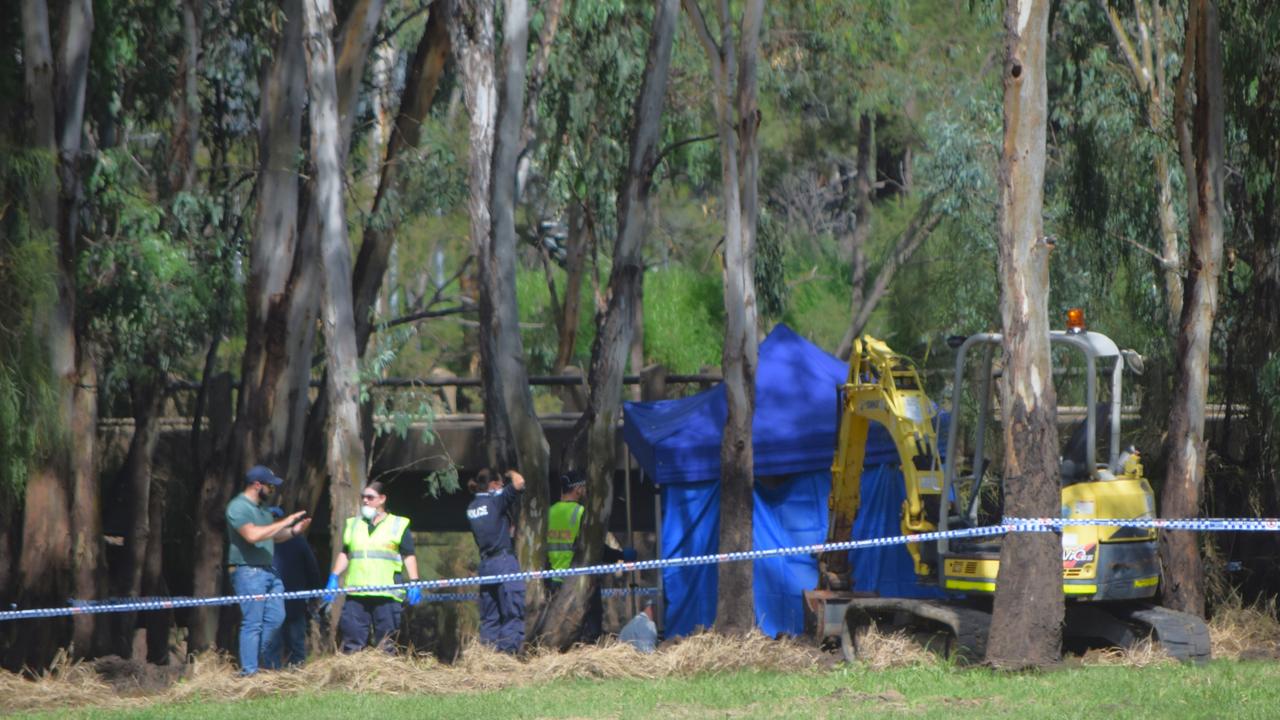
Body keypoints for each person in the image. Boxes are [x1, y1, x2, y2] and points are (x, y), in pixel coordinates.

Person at [225, 465, 310, 676]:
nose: (273, 491)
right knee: (252, 623)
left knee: (276, 618)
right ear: (257, 485)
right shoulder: (238, 507)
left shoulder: (262, 509)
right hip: (248, 572)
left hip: (269, 571)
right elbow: (252, 535)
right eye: (270, 486)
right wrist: (285, 521)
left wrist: (293, 531)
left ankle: (267, 666)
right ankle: (250, 672)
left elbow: (273, 536)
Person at [325, 480, 422, 653]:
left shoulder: (398, 524)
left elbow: (408, 555)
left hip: (386, 594)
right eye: (363, 497)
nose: (365, 501)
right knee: (352, 645)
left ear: (382, 499)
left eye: (370, 497)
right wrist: (334, 576)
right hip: (357, 594)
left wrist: (415, 581)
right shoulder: (353, 525)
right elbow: (346, 553)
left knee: (386, 646)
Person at [545, 470, 632, 642]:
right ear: (577, 489)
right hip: (579, 580)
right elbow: (595, 549)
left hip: (554, 580)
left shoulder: (549, 512)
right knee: (589, 629)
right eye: (584, 486)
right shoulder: (581, 513)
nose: (585, 490)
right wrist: (621, 554)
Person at [466, 468, 526, 654]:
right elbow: (519, 482)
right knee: (512, 612)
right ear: (493, 485)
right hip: (504, 563)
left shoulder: (472, 508)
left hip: (486, 566)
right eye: (499, 483)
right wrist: (509, 473)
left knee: (490, 617)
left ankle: (488, 658)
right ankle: (507, 657)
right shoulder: (494, 500)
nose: (502, 487)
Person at [269, 507, 323, 666]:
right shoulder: (263, 542)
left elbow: (311, 567)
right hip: (279, 601)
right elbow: (312, 568)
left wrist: (315, 592)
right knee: (278, 643)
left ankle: (292, 674)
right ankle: (277, 675)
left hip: (292, 601)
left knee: (292, 642)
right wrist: (315, 592)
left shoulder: (297, 540)